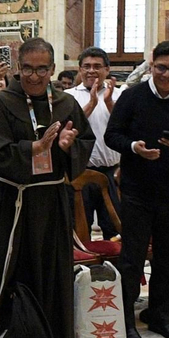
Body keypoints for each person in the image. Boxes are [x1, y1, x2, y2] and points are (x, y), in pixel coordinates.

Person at [0, 38, 93, 338]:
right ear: (18, 69)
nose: (34, 76)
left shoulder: (66, 104)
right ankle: (8, 335)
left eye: (42, 69)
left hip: (51, 198)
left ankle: (51, 335)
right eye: (27, 68)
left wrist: (68, 148)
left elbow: (86, 141)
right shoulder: (1, 102)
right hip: (12, 201)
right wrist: (34, 148)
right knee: (12, 264)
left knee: (50, 266)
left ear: (52, 69)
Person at [104, 40, 169, 338]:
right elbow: (113, 135)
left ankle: (161, 316)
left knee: (166, 256)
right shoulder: (132, 97)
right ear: (152, 66)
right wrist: (133, 147)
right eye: (161, 67)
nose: (166, 74)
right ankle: (126, 321)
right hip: (137, 191)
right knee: (132, 257)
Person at [66, 48, 124, 240]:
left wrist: (108, 103)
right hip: (80, 173)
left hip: (112, 173)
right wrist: (91, 104)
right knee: (79, 229)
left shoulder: (120, 94)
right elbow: (68, 125)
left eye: (97, 66)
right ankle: (82, 269)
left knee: (115, 229)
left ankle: (113, 269)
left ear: (107, 69)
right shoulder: (69, 96)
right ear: (79, 70)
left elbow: (127, 126)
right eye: (87, 66)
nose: (92, 70)